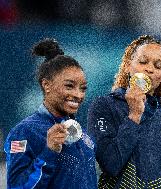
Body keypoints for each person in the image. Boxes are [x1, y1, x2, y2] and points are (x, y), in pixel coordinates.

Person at [88, 35, 161, 189]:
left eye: (158, 66)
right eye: (143, 62)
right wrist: (134, 116)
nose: (149, 69)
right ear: (128, 66)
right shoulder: (104, 106)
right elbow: (110, 164)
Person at [4, 38, 97, 189]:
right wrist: (49, 152)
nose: (78, 95)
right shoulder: (24, 132)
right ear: (47, 85)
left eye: (83, 88)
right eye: (69, 86)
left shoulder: (81, 134)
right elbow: (17, 187)